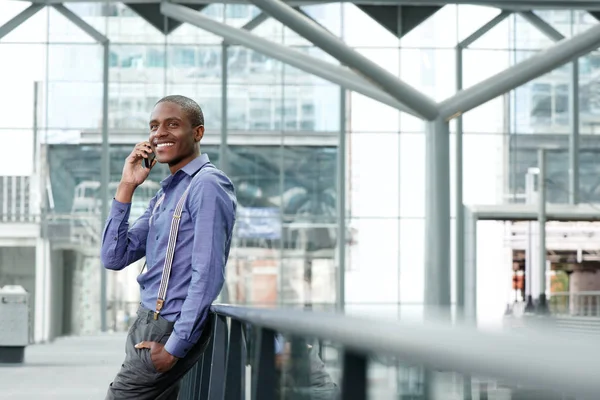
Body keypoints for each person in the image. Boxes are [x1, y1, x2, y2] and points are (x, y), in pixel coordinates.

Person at [100, 95, 237, 399]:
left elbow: (208, 273)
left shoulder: (207, 185)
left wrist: (174, 348)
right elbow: (114, 256)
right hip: (147, 323)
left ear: (197, 133)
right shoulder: (166, 193)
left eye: (172, 125)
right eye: (154, 126)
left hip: (168, 329)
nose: (159, 133)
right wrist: (127, 185)